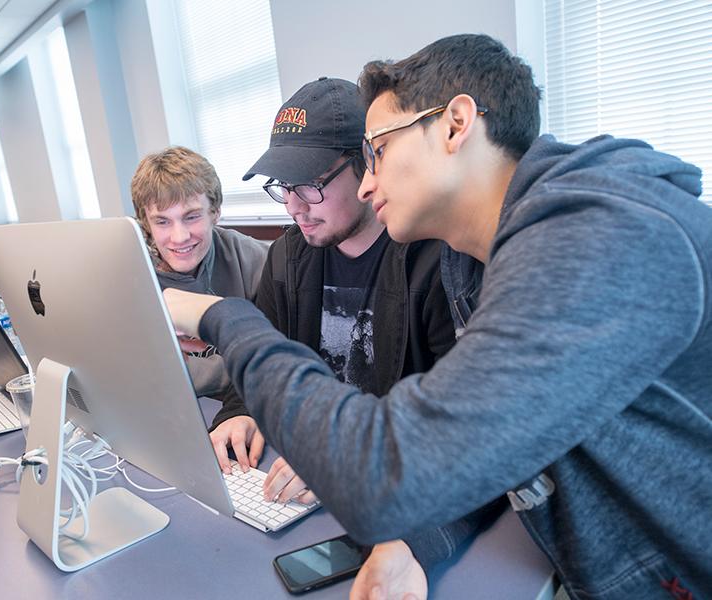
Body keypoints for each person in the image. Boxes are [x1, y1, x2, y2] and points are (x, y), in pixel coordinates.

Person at [163, 34, 712, 599]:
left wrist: (224, 319)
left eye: (378, 149)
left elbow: (389, 476)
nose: (371, 179)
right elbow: (480, 446)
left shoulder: (595, 238)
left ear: (455, 123)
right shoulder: (475, 261)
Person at [210, 77, 498, 576]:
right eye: (283, 188)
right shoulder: (287, 257)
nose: (293, 207)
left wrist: (338, 462)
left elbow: (469, 441)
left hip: (388, 492)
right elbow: (261, 357)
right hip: (292, 491)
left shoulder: (439, 266)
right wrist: (239, 411)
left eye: (309, 186)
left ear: (368, 164)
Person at [130, 146, 267, 397]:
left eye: (192, 217)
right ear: (145, 224)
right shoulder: (127, 275)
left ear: (214, 212)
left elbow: (273, 360)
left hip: (241, 404)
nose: (179, 237)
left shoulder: (255, 259)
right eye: (162, 221)